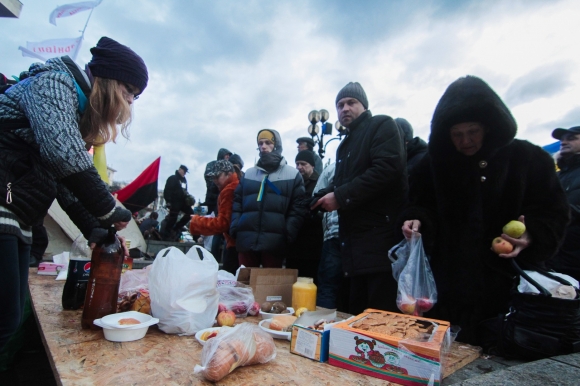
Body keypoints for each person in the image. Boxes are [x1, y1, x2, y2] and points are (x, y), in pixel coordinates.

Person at [0, 36, 146, 351]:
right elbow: (63, 155)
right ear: (109, 81)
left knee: (7, 319)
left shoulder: (75, 109)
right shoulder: (54, 83)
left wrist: (96, 228)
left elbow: (62, 181)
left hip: (18, 213)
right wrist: (110, 210)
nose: (131, 102)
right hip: (4, 207)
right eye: (129, 91)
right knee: (2, 319)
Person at [401, 76, 569, 345]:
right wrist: (415, 220)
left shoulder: (529, 159)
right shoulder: (432, 166)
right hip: (449, 289)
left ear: (488, 127)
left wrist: (531, 235)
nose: (465, 140)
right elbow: (419, 204)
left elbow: (555, 213)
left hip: (508, 291)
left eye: (473, 131)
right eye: (457, 134)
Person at [311, 82, 407, 315]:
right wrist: (324, 196)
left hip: (380, 244)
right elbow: (346, 183)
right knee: (356, 320)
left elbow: (387, 169)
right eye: (340, 105)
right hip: (353, 249)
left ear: (364, 105)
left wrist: (340, 197)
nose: (344, 108)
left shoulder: (382, 124)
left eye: (351, 103)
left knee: (378, 320)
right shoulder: (344, 145)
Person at [230, 129, 306, 268]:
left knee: (270, 287)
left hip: (275, 242)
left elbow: (298, 208)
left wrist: (287, 233)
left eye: (267, 143)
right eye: (260, 143)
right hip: (246, 239)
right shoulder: (249, 174)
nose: (263, 146)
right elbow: (237, 202)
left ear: (276, 145)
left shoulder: (292, 174)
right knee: (244, 286)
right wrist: (236, 227)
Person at [190, 160, 241, 274]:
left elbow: (223, 223)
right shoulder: (236, 185)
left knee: (229, 282)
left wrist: (196, 222)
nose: (215, 181)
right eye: (213, 177)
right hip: (238, 243)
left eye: (217, 176)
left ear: (228, 174)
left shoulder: (229, 190)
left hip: (234, 245)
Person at [546, 126, 580, 281]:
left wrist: (554, 211)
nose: (564, 142)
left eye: (572, 138)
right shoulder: (556, 176)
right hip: (553, 258)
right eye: (562, 139)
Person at [314, 163, 346, 310]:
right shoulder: (366, 165)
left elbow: (317, 196)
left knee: (328, 286)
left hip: (334, 234)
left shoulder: (332, 167)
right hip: (360, 235)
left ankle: (323, 327)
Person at [287, 150, 323, 281]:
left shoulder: (320, 183)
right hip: (295, 240)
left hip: (313, 241)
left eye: (303, 164)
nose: (299, 167)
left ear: (312, 165)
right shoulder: (294, 182)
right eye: (297, 164)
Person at [162, 165, 195, 241]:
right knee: (173, 218)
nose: (185, 174)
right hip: (174, 202)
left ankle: (177, 227)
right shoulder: (173, 178)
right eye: (184, 171)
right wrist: (168, 201)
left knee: (190, 213)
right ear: (180, 170)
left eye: (186, 172)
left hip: (183, 202)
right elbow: (167, 190)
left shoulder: (184, 180)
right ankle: (166, 235)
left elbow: (185, 191)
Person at [203, 148, 232, 215]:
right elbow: (209, 179)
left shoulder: (229, 168)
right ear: (221, 155)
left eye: (229, 155)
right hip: (212, 199)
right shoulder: (211, 165)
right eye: (226, 155)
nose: (228, 156)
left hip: (223, 199)